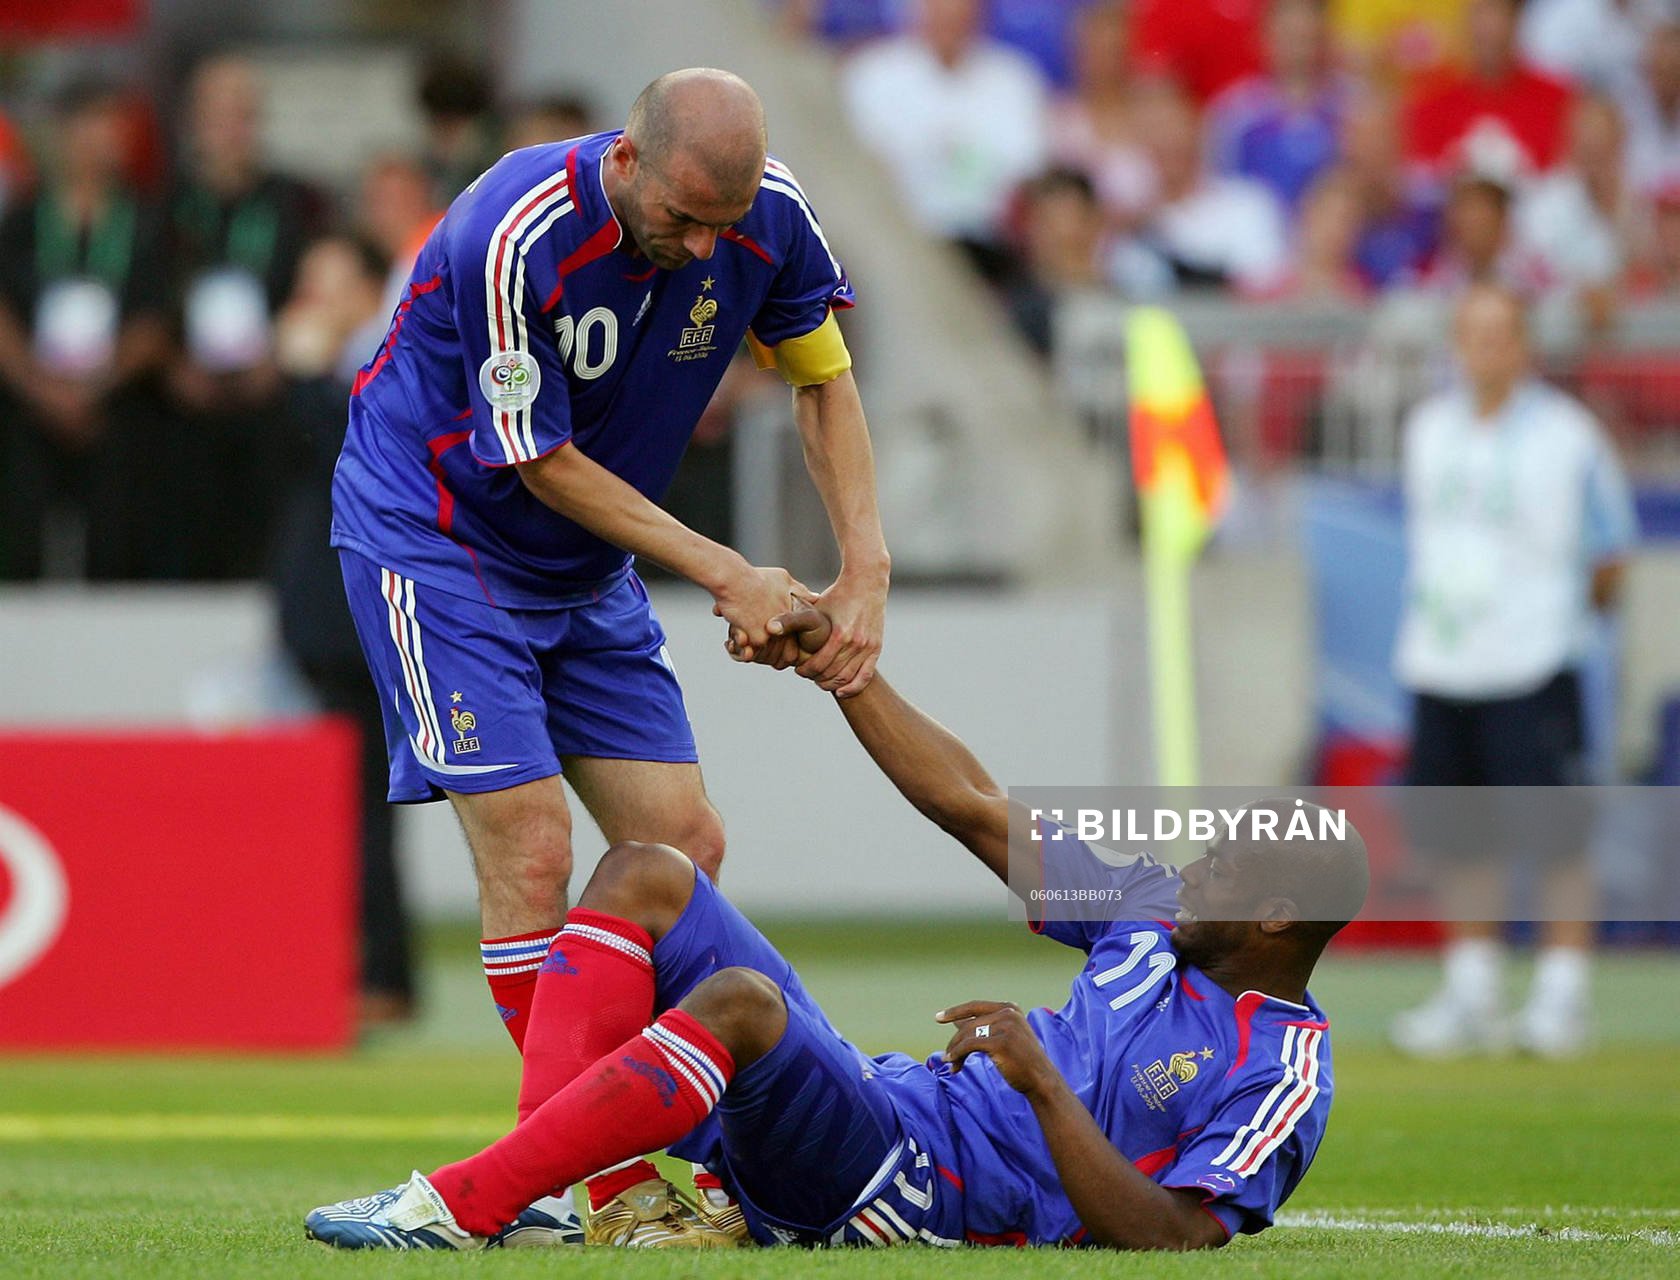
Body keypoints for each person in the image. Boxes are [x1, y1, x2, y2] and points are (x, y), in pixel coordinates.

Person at [305, 606, 1369, 1252]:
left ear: (1275, 916)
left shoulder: (1280, 1069)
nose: (1190, 871)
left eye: (1220, 866)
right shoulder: (1145, 920)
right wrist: (842, 666)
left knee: (742, 1005)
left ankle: (461, 1202)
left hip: (920, 1193)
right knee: (644, 873)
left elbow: (1176, 1235)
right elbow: (971, 803)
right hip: (890, 1104)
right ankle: (591, 1201)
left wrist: (1043, 1083)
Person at [329, 67, 891, 1241]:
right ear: (625, 159)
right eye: (686, 217)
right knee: (533, 847)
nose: (707, 247)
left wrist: (865, 566)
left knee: (682, 849)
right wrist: (727, 569)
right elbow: (538, 458)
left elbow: (823, 381)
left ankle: (661, 1163)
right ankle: (607, 1182)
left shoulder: (770, 216)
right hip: (438, 538)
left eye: (726, 223)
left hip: (586, 561)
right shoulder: (508, 228)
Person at [1390, 284, 1637, 1059]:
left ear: (1525, 344)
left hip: (1533, 661)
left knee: (1557, 836)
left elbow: (1611, 553)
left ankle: (1563, 997)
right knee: (1459, 837)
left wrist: (1559, 627)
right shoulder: (1427, 429)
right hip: (1441, 659)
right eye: (1472, 333)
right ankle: (1474, 991)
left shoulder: (1569, 437)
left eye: (1500, 333)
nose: (1485, 349)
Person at [270, 233, 418, 1025]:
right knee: (343, 806)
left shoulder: (388, 361)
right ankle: (357, 967)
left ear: (366, 290)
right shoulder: (329, 372)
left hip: (359, 624)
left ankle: (383, 974)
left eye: (326, 282)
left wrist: (300, 377)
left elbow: (352, 459)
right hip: (323, 625)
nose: (311, 300)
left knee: (362, 806)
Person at [0, 77, 172, 580]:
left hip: (115, 407)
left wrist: (95, 387)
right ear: (62, 133)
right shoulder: (23, 221)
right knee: (20, 538)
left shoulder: (145, 221)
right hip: (28, 406)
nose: (102, 140)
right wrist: (40, 388)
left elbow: (155, 321)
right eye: (91, 125)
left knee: (117, 542)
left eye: (113, 127)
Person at [164, 54, 329, 579]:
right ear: (192, 121)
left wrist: (277, 355)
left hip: (269, 390)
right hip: (183, 394)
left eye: (242, 114)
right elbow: (144, 297)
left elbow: (319, 289)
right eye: (217, 114)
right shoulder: (164, 205)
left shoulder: (297, 202)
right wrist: (172, 366)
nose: (230, 129)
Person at [841, 0, 1050, 277]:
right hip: (898, 249)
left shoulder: (1015, 78)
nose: (950, 14)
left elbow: (1031, 176)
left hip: (994, 252)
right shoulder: (870, 76)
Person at [1206, 0, 1351, 215]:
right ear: (1261, 38)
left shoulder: (1351, 107)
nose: (1298, 49)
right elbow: (1218, 189)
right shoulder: (1234, 113)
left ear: (1324, 38)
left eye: (1306, 37)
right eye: (1288, 36)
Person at [1403, 0, 1575, 178]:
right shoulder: (1430, 103)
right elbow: (1421, 181)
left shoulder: (1557, 100)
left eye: (1499, 15)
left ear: (1516, 21)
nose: (1489, 28)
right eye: (1480, 14)